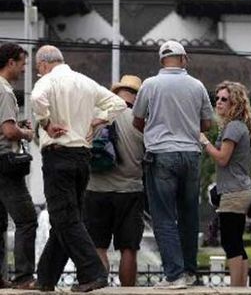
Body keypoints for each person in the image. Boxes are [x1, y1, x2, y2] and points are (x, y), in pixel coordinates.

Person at [31, 45, 127, 292]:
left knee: (66, 219)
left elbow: (36, 99)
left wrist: (47, 123)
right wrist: (99, 120)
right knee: (64, 219)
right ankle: (45, 279)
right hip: (82, 157)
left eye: (37, 68)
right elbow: (118, 103)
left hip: (58, 156)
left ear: (43, 64)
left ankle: (93, 273)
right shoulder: (85, 82)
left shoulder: (48, 81)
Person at [132, 40, 213, 289]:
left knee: (164, 217)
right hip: (190, 154)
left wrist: (156, 131)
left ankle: (174, 275)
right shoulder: (197, 86)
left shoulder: (150, 85)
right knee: (189, 216)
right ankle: (189, 272)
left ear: (161, 60)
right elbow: (207, 124)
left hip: (161, 156)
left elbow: (137, 120)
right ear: (184, 58)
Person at [84, 75, 145, 286]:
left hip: (95, 190)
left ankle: (100, 288)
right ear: (137, 97)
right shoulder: (141, 121)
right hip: (130, 191)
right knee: (129, 248)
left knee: (98, 246)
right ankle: (128, 291)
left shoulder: (95, 115)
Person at [199, 81, 251, 287]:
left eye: (225, 99)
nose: (219, 102)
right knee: (237, 242)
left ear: (235, 103)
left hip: (233, 192)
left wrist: (204, 141)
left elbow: (222, 158)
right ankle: (242, 288)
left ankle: (236, 288)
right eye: (217, 98)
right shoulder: (240, 126)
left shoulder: (233, 127)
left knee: (230, 243)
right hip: (241, 190)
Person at [0, 43, 37, 289]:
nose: (24, 69)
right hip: (5, 163)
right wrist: (27, 133)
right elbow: (9, 131)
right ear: (11, 62)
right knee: (27, 220)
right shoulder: (5, 90)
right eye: (22, 64)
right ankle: (24, 277)